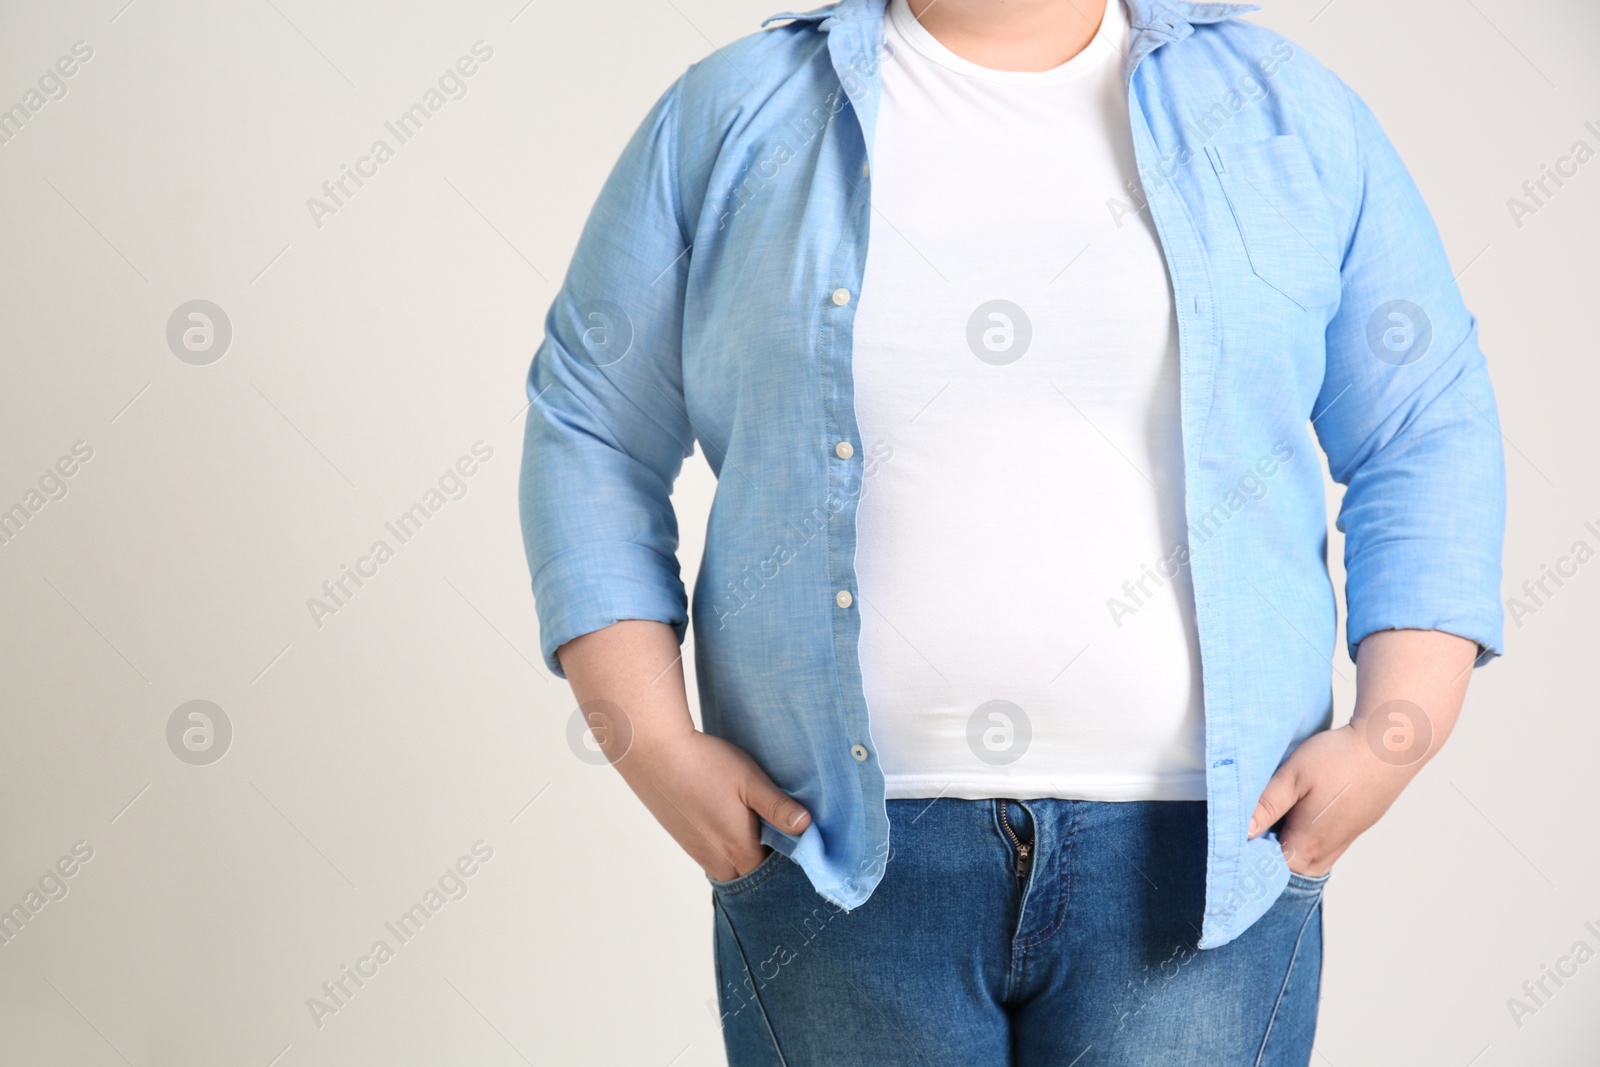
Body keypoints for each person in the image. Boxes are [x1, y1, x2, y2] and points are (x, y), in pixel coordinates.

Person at [518, 0, 1505, 1061]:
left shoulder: (1283, 111)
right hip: (834, 858)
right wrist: (652, 741)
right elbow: (590, 425)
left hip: (1207, 857)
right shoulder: (731, 112)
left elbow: (1422, 422)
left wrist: (1397, 728)